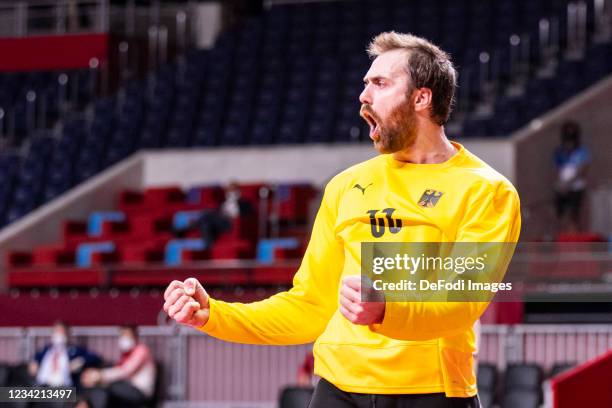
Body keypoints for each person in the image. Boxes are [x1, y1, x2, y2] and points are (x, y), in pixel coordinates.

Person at [163, 32, 521, 408]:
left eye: (380, 83)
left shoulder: (486, 191)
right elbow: (310, 306)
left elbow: (460, 304)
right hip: (337, 390)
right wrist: (213, 315)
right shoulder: (346, 186)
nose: (363, 96)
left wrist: (386, 310)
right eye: (365, 84)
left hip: (430, 393)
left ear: (422, 97)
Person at [81, 325, 156, 408]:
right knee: (99, 388)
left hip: (140, 392)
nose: (124, 338)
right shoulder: (126, 354)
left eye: (127, 335)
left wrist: (99, 376)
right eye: (122, 335)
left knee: (105, 386)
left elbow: (125, 371)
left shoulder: (142, 350)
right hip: (126, 388)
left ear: (135, 337)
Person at [173, 181, 254, 247]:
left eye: (234, 190)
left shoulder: (245, 203)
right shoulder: (224, 203)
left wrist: (234, 212)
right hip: (219, 222)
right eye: (230, 190)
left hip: (230, 224)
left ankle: (188, 228)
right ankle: (208, 249)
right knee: (206, 223)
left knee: (207, 215)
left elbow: (247, 215)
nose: (232, 192)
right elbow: (218, 212)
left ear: (239, 191)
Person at [29, 321, 100, 389]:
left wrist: (79, 361)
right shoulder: (47, 349)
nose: (59, 335)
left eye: (61, 332)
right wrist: (34, 362)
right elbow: (36, 357)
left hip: (65, 387)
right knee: (20, 394)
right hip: (43, 385)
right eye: (57, 331)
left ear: (67, 334)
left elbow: (93, 356)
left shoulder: (75, 350)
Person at [553, 121, 590, 232]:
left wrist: (570, 183)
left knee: (575, 214)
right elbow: (557, 168)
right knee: (560, 213)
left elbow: (583, 168)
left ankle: (576, 236)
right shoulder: (559, 151)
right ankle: (562, 235)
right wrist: (561, 184)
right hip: (562, 187)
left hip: (576, 187)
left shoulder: (581, 151)